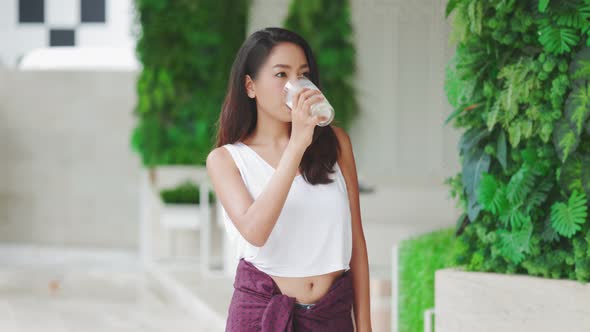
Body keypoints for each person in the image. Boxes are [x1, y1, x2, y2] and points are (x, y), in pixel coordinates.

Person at [206, 27, 372, 332]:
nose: (295, 85)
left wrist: (365, 327)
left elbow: (357, 243)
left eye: (303, 74)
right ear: (250, 86)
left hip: (331, 316)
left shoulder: (336, 143)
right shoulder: (226, 160)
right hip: (262, 315)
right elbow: (255, 231)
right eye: (281, 74)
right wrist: (296, 145)